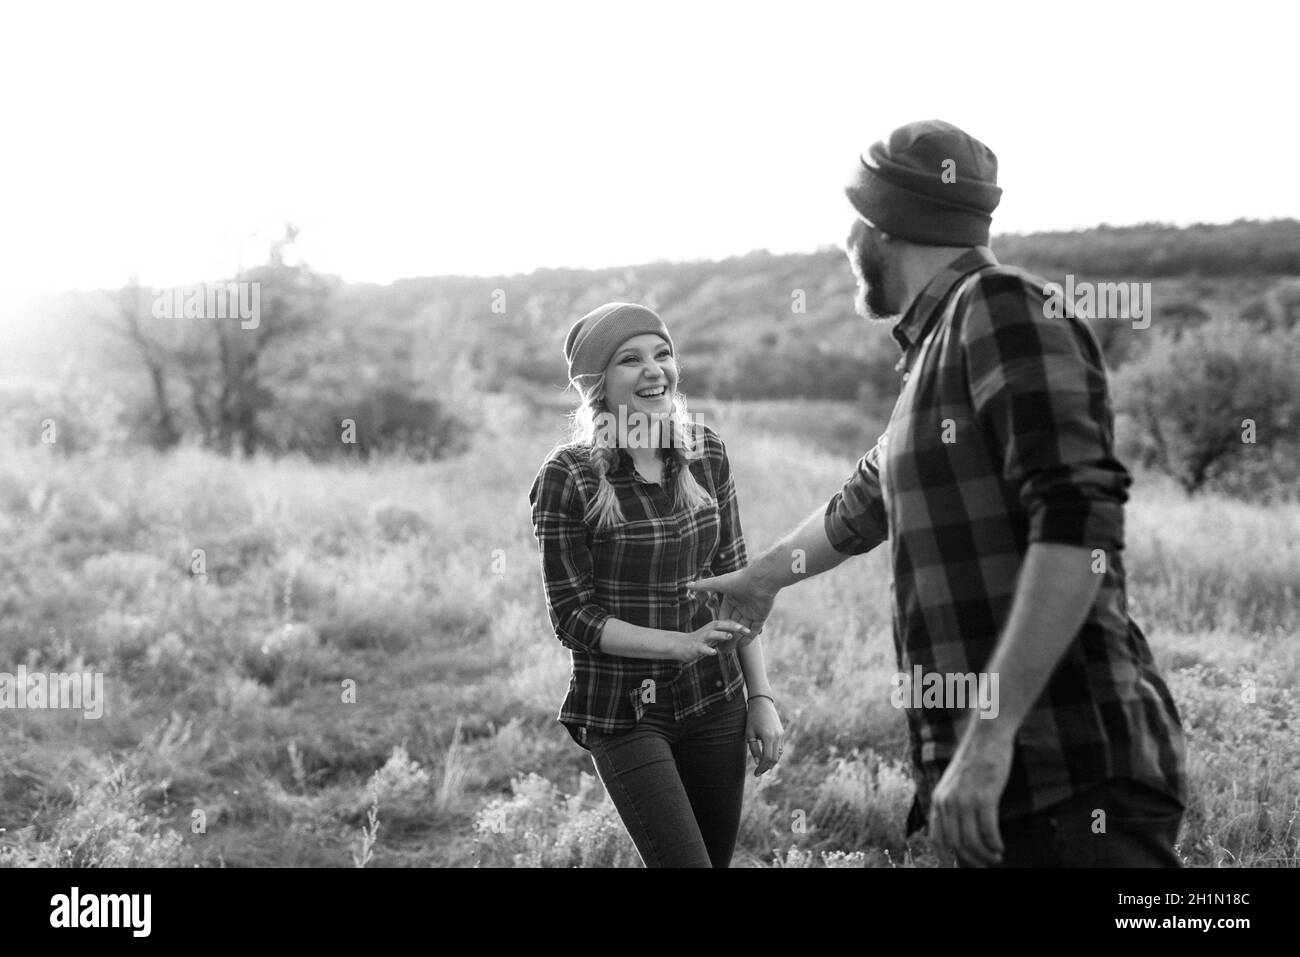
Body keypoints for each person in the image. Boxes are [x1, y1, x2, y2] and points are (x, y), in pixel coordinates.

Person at [691, 120, 1187, 868]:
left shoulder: (1002, 309)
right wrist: (764, 579)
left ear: (887, 224)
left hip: (1066, 769)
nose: (846, 241)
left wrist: (990, 738)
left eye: (855, 218)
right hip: (989, 783)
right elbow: (864, 503)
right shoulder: (936, 353)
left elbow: (1079, 524)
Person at [528, 301, 783, 868]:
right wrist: (676, 645)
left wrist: (760, 697)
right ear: (599, 384)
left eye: (662, 353)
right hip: (623, 709)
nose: (654, 370)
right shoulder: (568, 476)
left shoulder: (705, 451)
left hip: (716, 699)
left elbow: (737, 586)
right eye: (630, 359)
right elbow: (573, 616)